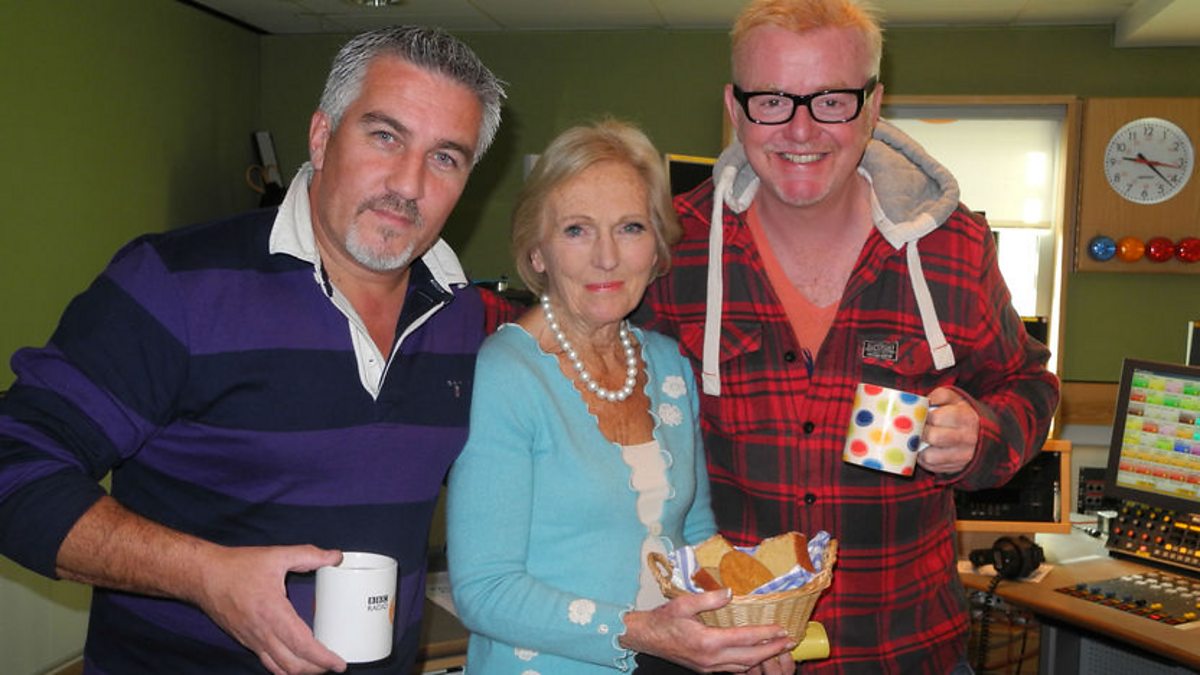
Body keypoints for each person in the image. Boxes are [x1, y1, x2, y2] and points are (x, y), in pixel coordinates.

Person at [0, 25, 512, 675]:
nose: (408, 184)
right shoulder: (176, 284)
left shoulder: (461, 316)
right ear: (322, 137)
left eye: (445, 158)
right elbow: (13, 464)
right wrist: (202, 574)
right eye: (386, 136)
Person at [635, 0, 1061, 672]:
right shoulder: (674, 249)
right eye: (771, 100)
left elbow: (1029, 386)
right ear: (735, 107)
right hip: (731, 654)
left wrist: (981, 434)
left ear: (872, 104)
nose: (801, 129)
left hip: (905, 652)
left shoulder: (953, 248)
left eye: (831, 100)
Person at [446, 120, 798, 675]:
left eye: (630, 227)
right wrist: (643, 632)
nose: (607, 257)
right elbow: (484, 591)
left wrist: (740, 631)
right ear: (537, 253)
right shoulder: (508, 375)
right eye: (577, 230)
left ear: (656, 246)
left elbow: (694, 538)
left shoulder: (668, 365)